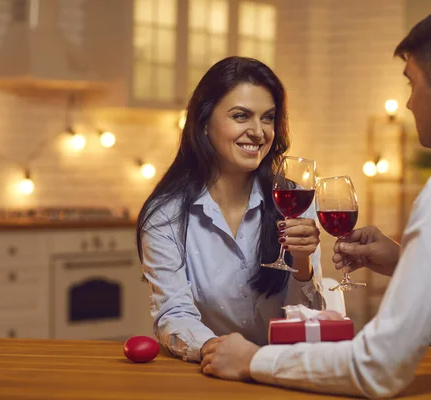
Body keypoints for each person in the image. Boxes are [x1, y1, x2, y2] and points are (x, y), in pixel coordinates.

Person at [199, 4, 431, 399]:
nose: (408, 103)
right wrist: (403, 259)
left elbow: (378, 367)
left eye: (411, 83)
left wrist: (253, 360)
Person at [137, 56, 324, 363]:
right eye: (241, 116)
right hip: (211, 372)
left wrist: (303, 262)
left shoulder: (296, 201)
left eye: (267, 118)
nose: (258, 132)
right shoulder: (165, 215)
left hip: (284, 372)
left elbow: (308, 320)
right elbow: (174, 314)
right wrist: (222, 353)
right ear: (204, 122)